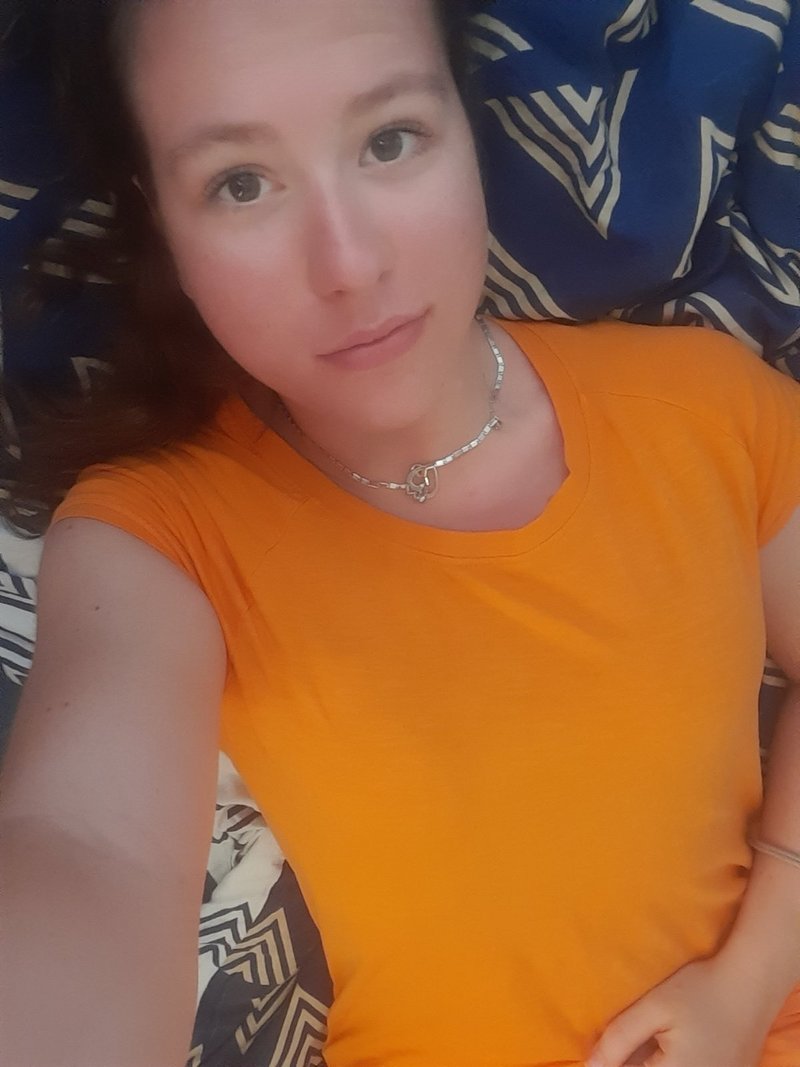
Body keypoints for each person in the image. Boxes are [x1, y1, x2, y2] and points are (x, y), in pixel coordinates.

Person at [1, 2, 799, 1066]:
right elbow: (89, 844)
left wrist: (746, 984)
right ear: (164, 224)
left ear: (466, 130)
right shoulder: (156, 534)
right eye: (240, 183)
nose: (349, 263)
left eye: (389, 139)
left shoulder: (704, 408)